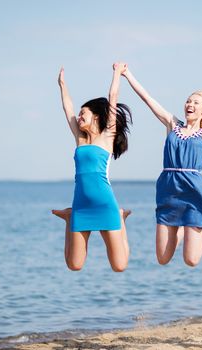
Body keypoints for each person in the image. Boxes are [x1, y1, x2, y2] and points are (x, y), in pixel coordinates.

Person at [120, 63, 202, 267]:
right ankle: (189, 225)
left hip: (193, 192)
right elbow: (148, 99)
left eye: (196, 102)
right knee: (162, 259)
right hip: (167, 189)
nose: (190, 104)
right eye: (189, 101)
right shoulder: (173, 124)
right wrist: (127, 74)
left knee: (191, 260)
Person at [52, 63, 133, 272]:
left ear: (96, 115)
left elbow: (112, 96)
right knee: (74, 265)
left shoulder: (107, 136)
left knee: (120, 266)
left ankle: (121, 217)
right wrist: (62, 84)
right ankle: (68, 218)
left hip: (105, 203)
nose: (79, 117)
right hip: (80, 204)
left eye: (83, 113)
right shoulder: (80, 140)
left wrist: (117, 73)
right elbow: (67, 108)